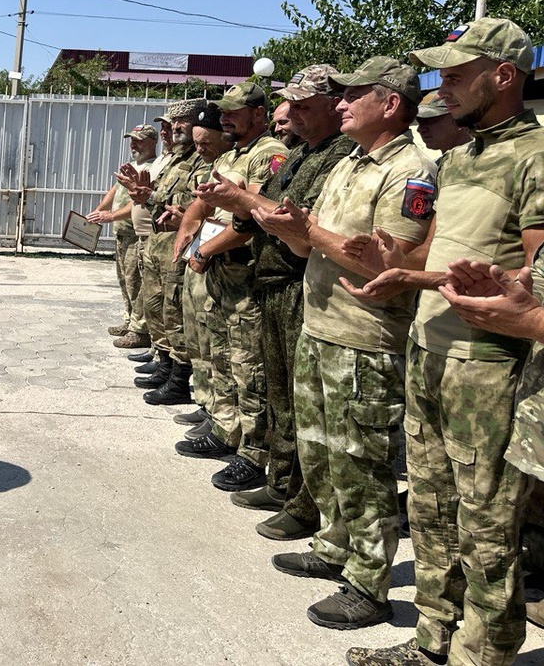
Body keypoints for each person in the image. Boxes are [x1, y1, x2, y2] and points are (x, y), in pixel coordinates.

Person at [344, 18, 544, 666]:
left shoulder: (535, 159)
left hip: (487, 368)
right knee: (430, 512)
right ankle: (433, 642)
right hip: (430, 348)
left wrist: (507, 292)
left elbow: (535, 281)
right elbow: (445, 251)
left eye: (456, 75)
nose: (443, 87)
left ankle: (482, 656)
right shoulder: (457, 158)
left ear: (504, 76)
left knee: (485, 529)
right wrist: (403, 265)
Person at [255, 56, 435, 630]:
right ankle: (335, 545)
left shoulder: (411, 169)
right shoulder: (351, 164)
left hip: (365, 337)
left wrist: (307, 231)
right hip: (320, 325)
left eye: (354, 95)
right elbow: (313, 248)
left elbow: (389, 260)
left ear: (390, 104)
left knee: (363, 463)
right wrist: (287, 226)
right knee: (321, 449)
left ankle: (369, 582)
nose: (341, 103)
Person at [197, 65, 353, 543]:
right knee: (281, 395)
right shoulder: (303, 155)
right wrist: (245, 201)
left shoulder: (336, 156)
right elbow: (265, 207)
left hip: (300, 284)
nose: (296, 117)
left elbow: (288, 221)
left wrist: (243, 199)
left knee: (301, 403)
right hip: (273, 280)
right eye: (294, 107)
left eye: (306, 107)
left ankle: (305, 503)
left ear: (334, 104)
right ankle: (283, 483)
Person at [172, 81, 288, 494]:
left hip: (246, 276)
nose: (225, 118)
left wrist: (208, 249)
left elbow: (254, 217)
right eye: (222, 111)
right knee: (222, 355)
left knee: (248, 366)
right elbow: (202, 203)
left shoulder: (269, 155)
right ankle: (225, 427)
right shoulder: (234, 154)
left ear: (258, 114)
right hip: (222, 274)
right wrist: (186, 234)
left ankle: (254, 452)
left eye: (233, 112)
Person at [126, 101, 202, 405]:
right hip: (158, 243)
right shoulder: (173, 160)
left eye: (179, 122)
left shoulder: (200, 160)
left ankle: (179, 380)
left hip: (176, 245)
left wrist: (154, 198)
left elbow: (191, 203)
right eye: (170, 123)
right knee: (157, 308)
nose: (172, 128)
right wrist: (145, 195)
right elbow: (161, 197)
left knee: (174, 313)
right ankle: (165, 365)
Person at [88, 124, 156, 350]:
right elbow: (114, 191)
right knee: (125, 281)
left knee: (136, 282)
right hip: (121, 233)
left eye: (139, 140)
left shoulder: (151, 169)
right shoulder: (132, 166)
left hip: (136, 234)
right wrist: (99, 211)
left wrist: (111, 215)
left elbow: (137, 201)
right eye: (132, 139)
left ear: (153, 142)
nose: (133, 144)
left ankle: (140, 329)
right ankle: (129, 320)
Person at [415, 90, 471, 155]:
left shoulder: (480, 162)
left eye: (430, 121)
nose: (420, 129)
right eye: (419, 121)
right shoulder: (439, 164)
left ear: (458, 120)